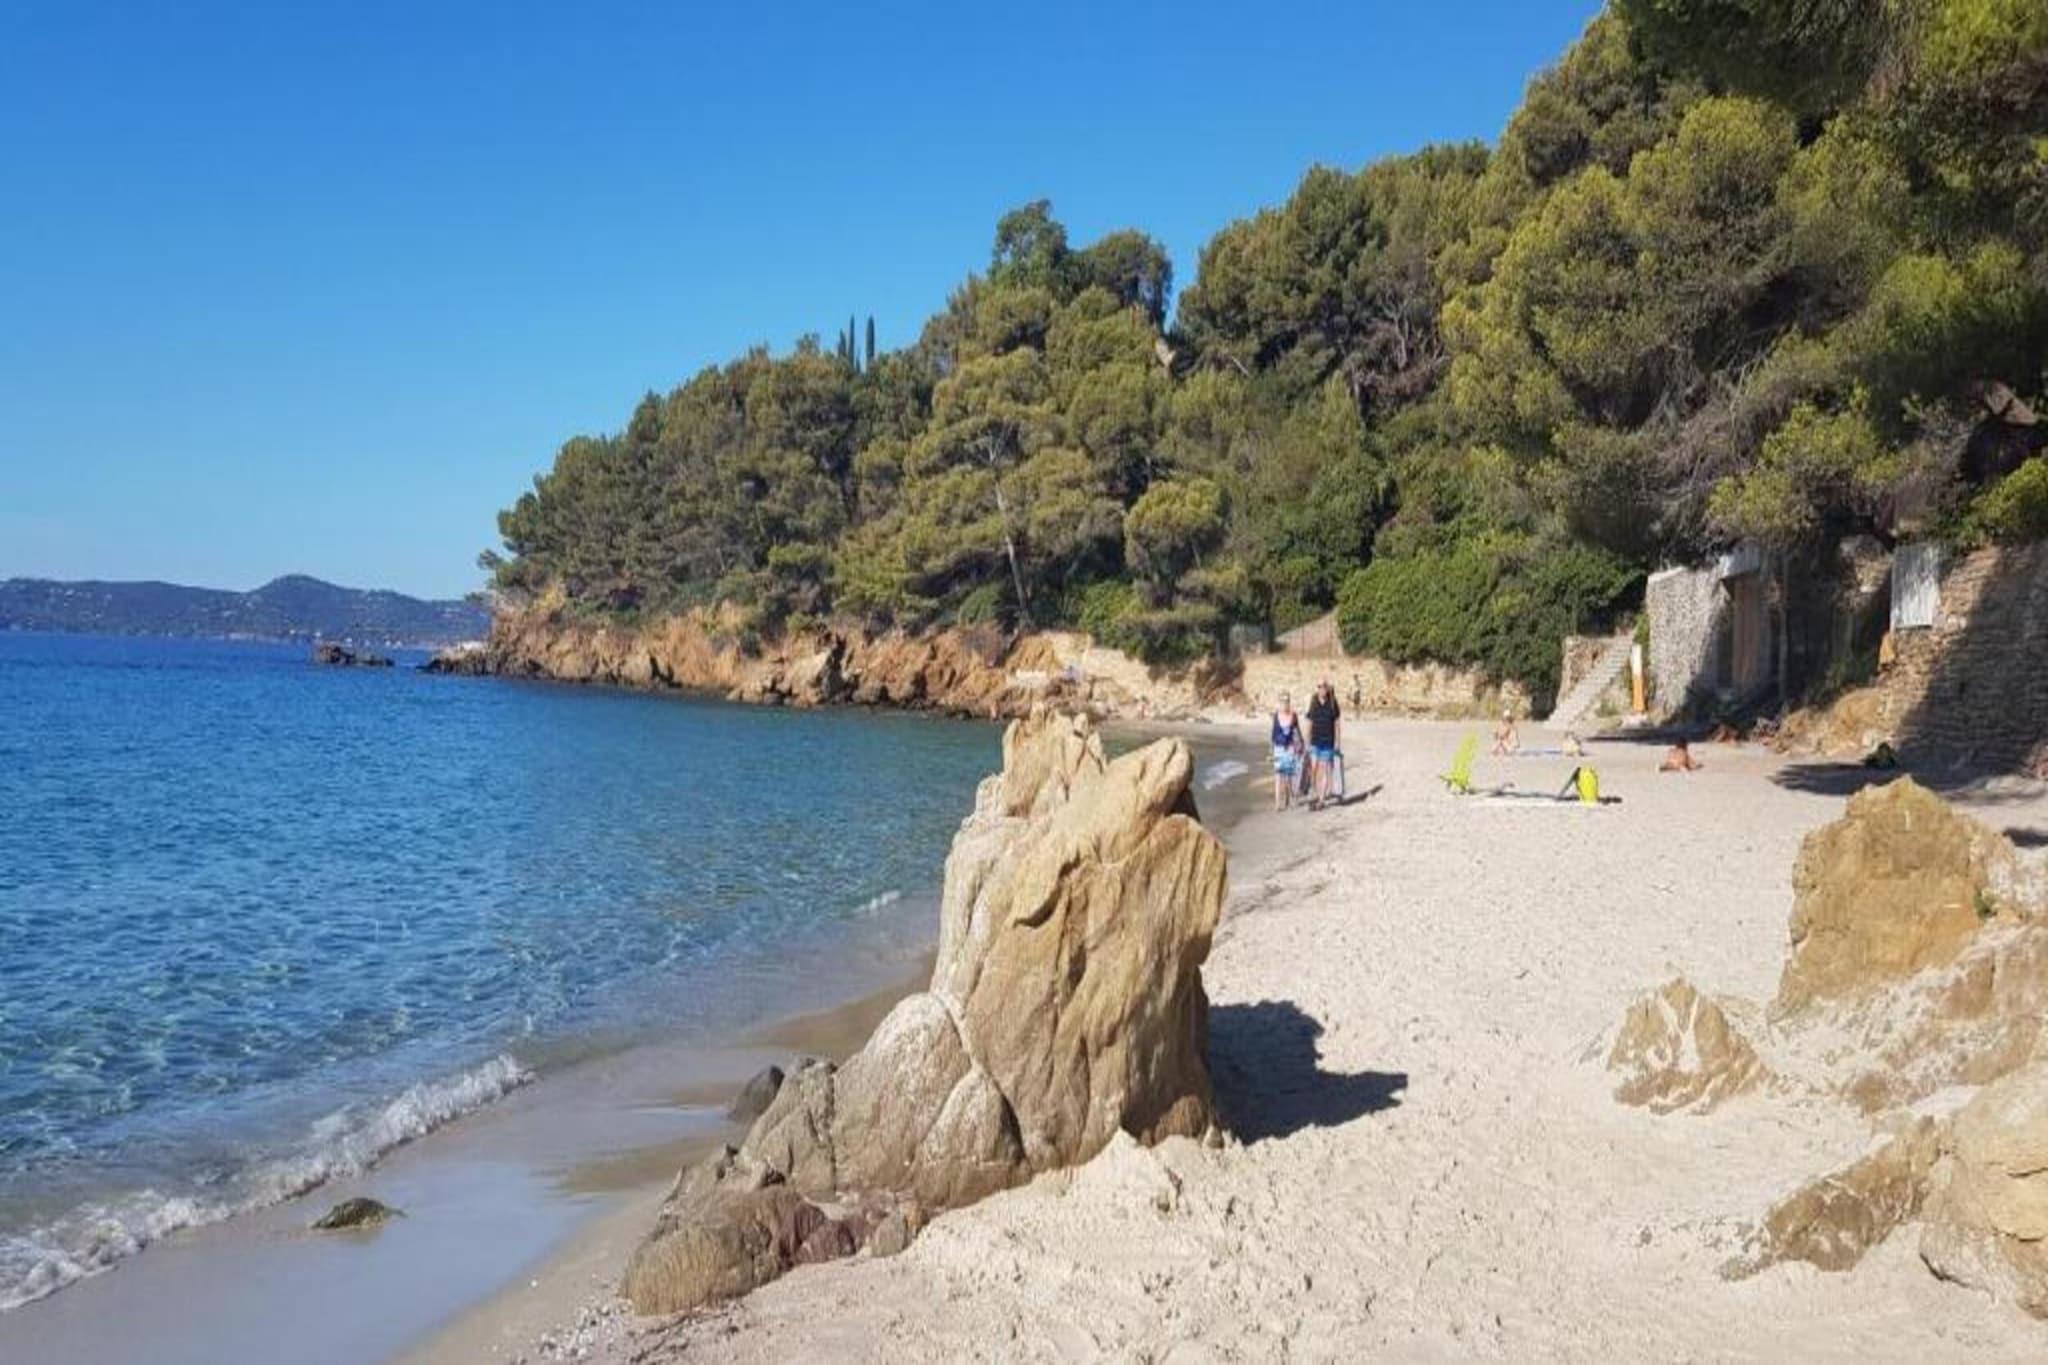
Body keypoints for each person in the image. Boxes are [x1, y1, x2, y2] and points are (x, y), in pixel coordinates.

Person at [1306, 679, 1342, 810]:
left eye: (1324, 686)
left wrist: (1337, 742)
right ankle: (1315, 791)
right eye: (1319, 686)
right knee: (1314, 767)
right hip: (1315, 741)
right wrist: (1307, 740)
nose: (1321, 689)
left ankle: (1321, 800)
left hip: (1328, 741)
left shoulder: (1332, 703)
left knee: (1325, 767)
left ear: (1327, 688)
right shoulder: (1313, 701)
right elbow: (1310, 722)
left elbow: (1337, 724)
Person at [1270, 692, 1305, 811]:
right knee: (1278, 775)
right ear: (1279, 703)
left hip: (1290, 748)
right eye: (1282, 701)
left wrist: (1301, 744)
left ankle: (1288, 798)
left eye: (1286, 701)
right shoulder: (1276, 716)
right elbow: (1273, 734)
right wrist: (1272, 749)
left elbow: (1297, 731)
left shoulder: (1293, 715)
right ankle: (1277, 803)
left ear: (1289, 702)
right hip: (1278, 748)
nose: (1285, 703)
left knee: (1288, 776)